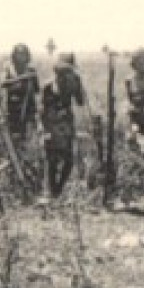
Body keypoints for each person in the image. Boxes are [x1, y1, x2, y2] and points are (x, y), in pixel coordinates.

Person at [39, 51, 86, 198]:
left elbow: (81, 102)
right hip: (52, 125)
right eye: (61, 71)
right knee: (52, 160)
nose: (64, 74)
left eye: (68, 71)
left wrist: (77, 85)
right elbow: (43, 110)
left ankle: (57, 190)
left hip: (66, 125)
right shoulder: (48, 86)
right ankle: (53, 192)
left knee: (68, 160)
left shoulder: (73, 83)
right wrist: (45, 127)